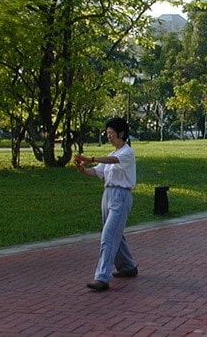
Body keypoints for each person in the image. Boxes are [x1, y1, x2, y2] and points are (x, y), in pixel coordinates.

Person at [73, 117, 138, 292]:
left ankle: (102, 277)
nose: (108, 136)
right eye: (107, 133)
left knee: (109, 236)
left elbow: (114, 161)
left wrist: (90, 157)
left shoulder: (126, 153)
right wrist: (84, 169)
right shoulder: (111, 154)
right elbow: (98, 172)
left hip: (121, 195)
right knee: (115, 233)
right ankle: (128, 266)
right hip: (108, 194)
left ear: (121, 134)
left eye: (111, 133)